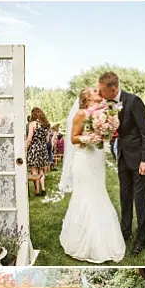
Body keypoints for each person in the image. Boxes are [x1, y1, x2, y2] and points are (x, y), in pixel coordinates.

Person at [58, 87, 125, 263]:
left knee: (98, 193)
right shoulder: (80, 113)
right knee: (85, 195)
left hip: (97, 157)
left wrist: (105, 132)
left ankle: (104, 238)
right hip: (84, 158)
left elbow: (108, 133)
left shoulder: (102, 112)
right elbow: (73, 138)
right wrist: (89, 139)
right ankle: (82, 240)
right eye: (94, 90)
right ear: (87, 97)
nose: (98, 91)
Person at [98, 71, 145, 256]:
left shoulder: (134, 101)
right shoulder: (108, 105)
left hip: (139, 161)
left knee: (140, 201)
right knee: (125, 198)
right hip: (122, 157)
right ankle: (126, 231)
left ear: (113, 89)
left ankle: (141, 239)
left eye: (102, 91)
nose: (100, 94)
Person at [26, 107, 51, 196]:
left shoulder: (32, 124)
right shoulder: (46, 125)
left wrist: (25, 149)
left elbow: (29, 139)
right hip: (43, 149)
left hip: (34, 148)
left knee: (34, 170)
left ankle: (37, 191)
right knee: (41, 170)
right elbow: (47, 140)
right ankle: (43, 189)